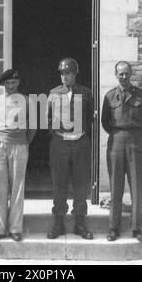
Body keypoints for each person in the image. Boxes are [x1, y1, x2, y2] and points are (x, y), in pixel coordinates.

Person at [101, 61, 142, 243]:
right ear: (115, 75)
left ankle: (136, 228)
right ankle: (113, 228)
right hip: (116, 141)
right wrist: (119, 135)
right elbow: (105, 122)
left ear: (131, 74)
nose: (124, 77)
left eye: (126, 74)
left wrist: (137, 136)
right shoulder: (109, 97)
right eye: (120, 74)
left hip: (136, 142)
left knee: (136, 186)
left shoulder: (141, 95)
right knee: (116, 186)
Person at [46, 57, 94, 240]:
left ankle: (80, 223)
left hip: (80, 142)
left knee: (81, 183)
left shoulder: (86, 93)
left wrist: (79, 133)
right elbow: (47, 118)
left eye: (68, 73)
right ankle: (59, 222)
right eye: (62, 73)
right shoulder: (53, 93)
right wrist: (58, 133)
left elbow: (89, 117)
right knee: (59, 183)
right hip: (60, 143)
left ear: (75, 74)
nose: (64, 76)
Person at [0, 69, 36, 242]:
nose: (10, 86)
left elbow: (33, 128)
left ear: (18, 83)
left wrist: (22, 142)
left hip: (20, 145)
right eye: (7, 83)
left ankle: (15, 227)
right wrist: (4, 139)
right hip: (0, 144)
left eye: (13, 83)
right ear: (3, 85)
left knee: (17, 186)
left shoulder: (27, 101)